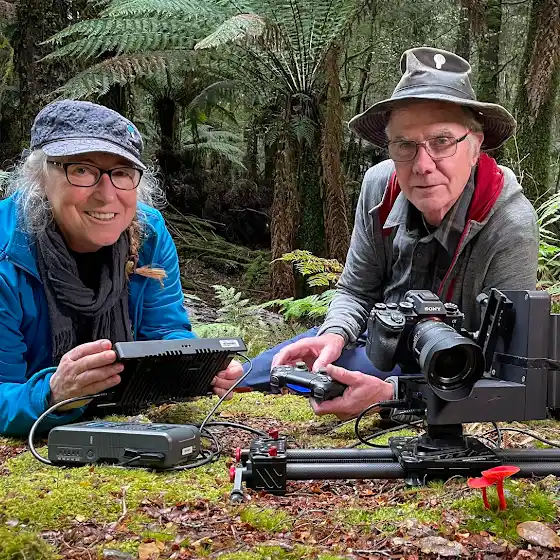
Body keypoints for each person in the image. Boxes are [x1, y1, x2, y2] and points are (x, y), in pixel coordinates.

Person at [240, 46, 539, 419]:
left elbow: (509, 374)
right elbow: (356, 291)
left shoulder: (509, 224)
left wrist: (393, 396)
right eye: (405, 145)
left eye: (442, 142)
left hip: (458, 367)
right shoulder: (379, 187)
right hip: (380, 343)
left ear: (475, 146)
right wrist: (335, 333)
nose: (423, 165)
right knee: (244, 375)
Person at [0, 99, 243, 437]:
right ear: (40, 176)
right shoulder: (8, 254)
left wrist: (199, 367)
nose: (106, 195)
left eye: (121, 173)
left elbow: (165, 332)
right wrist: (53, 394)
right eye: (81, 170)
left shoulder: (147, 234)